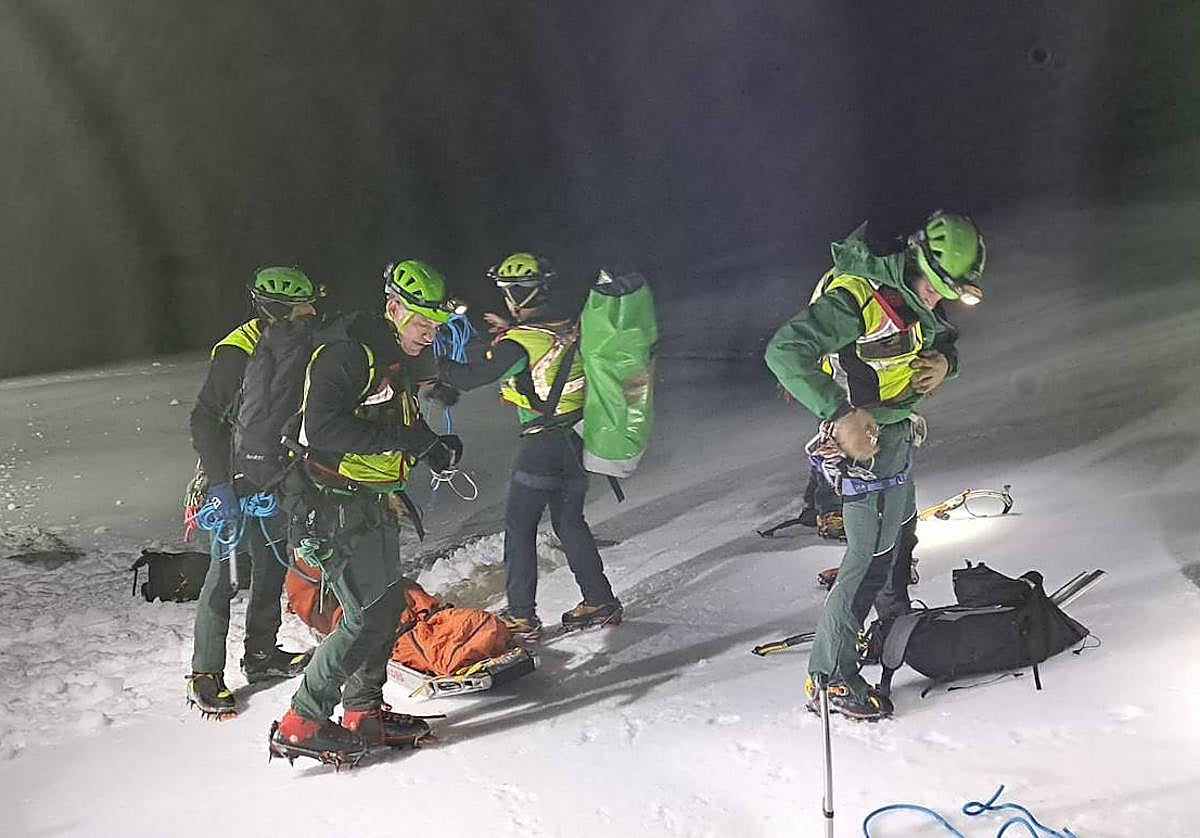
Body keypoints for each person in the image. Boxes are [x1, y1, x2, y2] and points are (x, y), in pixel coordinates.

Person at [764, 211, 985, 720]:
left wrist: (946, 364)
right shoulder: (857, 299)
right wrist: (840, 415)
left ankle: (890, 618)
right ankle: (831, 677)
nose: (939, 296)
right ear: (915, 260)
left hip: (898, 433)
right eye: (935, 284)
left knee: (901, 533)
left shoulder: (915, 296)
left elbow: (941, 337)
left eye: (948, 290)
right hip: (862, 445)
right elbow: (785, 352)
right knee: (865, 560)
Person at [268, 259, 465, 764]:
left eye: (435, 325)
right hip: (330, 505)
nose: (429, 334)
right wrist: (402, 440)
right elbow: (323, 432)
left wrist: (430, 446)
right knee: (363, 616)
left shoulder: (393, 357)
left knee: (387, 605)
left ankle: (363, 712)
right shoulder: (348, 354)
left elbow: (397, 417)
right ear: (395, 308)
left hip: (371, 499)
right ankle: (301, 721)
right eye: (422, 322)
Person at [431, 252, 621, 640]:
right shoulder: (563, 326)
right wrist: (509, 329)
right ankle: (600, 600)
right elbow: (537, 348)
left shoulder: (520, 342)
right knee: (570, 522)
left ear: (516, 293)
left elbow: (471, 378)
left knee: (519, 526)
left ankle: (521, 615)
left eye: (505, 291)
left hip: (543, 446)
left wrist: (430, 360)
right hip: (575, 440)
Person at [186, 267, 320, 717]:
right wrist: (220, 483)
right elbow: (206, 418)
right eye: (303, 306)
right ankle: (205, 672)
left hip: (279, 474)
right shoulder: (236, 350)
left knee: (271, 566)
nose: (311, 311)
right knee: (222, 577)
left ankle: (262, 655)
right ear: (279, 308)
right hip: (234, 476)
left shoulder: (302, 343)